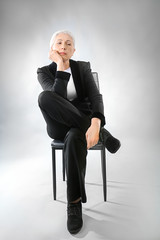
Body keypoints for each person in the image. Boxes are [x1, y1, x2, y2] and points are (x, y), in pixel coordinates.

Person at [37, 30, 121, 234]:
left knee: (75, 136)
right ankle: (103, 133)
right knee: (44, 97)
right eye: (59, 43)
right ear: (52, 49)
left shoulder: (83, 68)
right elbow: (56, 96)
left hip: (79, 126)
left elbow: (96, 97)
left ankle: (74, 205)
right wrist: (60, 66)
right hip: (57, 125)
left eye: (68, 44)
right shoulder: (43, 71)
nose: (63, 47)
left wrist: (96, 121)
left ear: (74, 50)